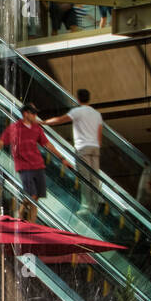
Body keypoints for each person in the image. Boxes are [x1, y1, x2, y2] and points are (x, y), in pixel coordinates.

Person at [0, 102, 71, 223]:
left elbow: (48, 144)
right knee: (32, 195)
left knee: (36, 197)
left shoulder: (36, 128)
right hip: (24, 166)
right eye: (33, 113)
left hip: (38, 165)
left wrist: (62, 158)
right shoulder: (14, 128)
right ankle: (20, 214)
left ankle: (31, 223)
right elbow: (1, 142)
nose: (35, 116)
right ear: (25, 113)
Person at [45, 88, 103, 216]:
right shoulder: (96, 114)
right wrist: (97, 146)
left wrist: (44, 122)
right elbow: (99, 133)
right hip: (95, 147)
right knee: (95, 178)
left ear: (78, 99)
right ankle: (97, 203)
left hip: (82, 147)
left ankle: (86, 207)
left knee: (85, 178)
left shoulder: (77, 111)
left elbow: (61, 120)